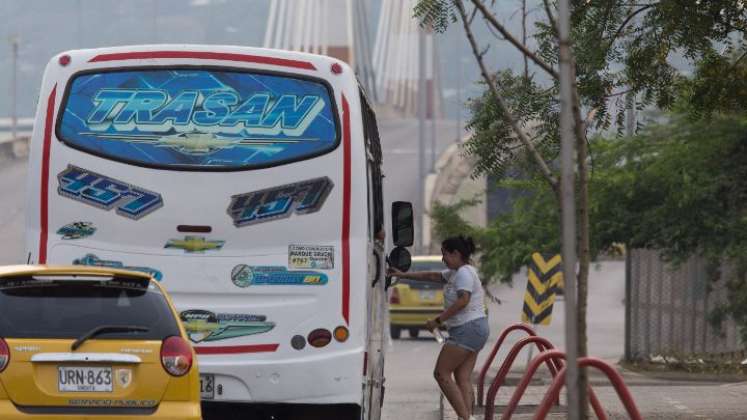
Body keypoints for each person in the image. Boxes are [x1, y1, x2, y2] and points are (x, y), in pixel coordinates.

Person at [388, 235, 488, 420]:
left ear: (456, 254)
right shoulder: (457, 272)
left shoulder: (464, 273)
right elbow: (432, 275)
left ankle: (466, 418)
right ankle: (467, 417)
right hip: (475, 328)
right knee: (462, 377)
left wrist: (438, 321)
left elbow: (463, 300)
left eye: (445, 255)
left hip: (468, 328)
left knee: (441, 373)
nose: (443, 259)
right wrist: (403, 275)